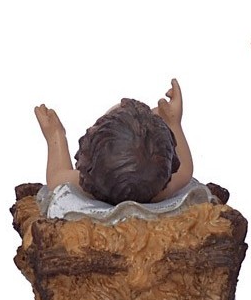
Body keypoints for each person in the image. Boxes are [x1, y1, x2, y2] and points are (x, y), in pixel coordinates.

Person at [35, 79, 196, 206]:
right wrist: (173, 123)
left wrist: (55, 135)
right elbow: (185, 170)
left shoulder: (90, 184)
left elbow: (56, 178)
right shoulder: (159, 190)